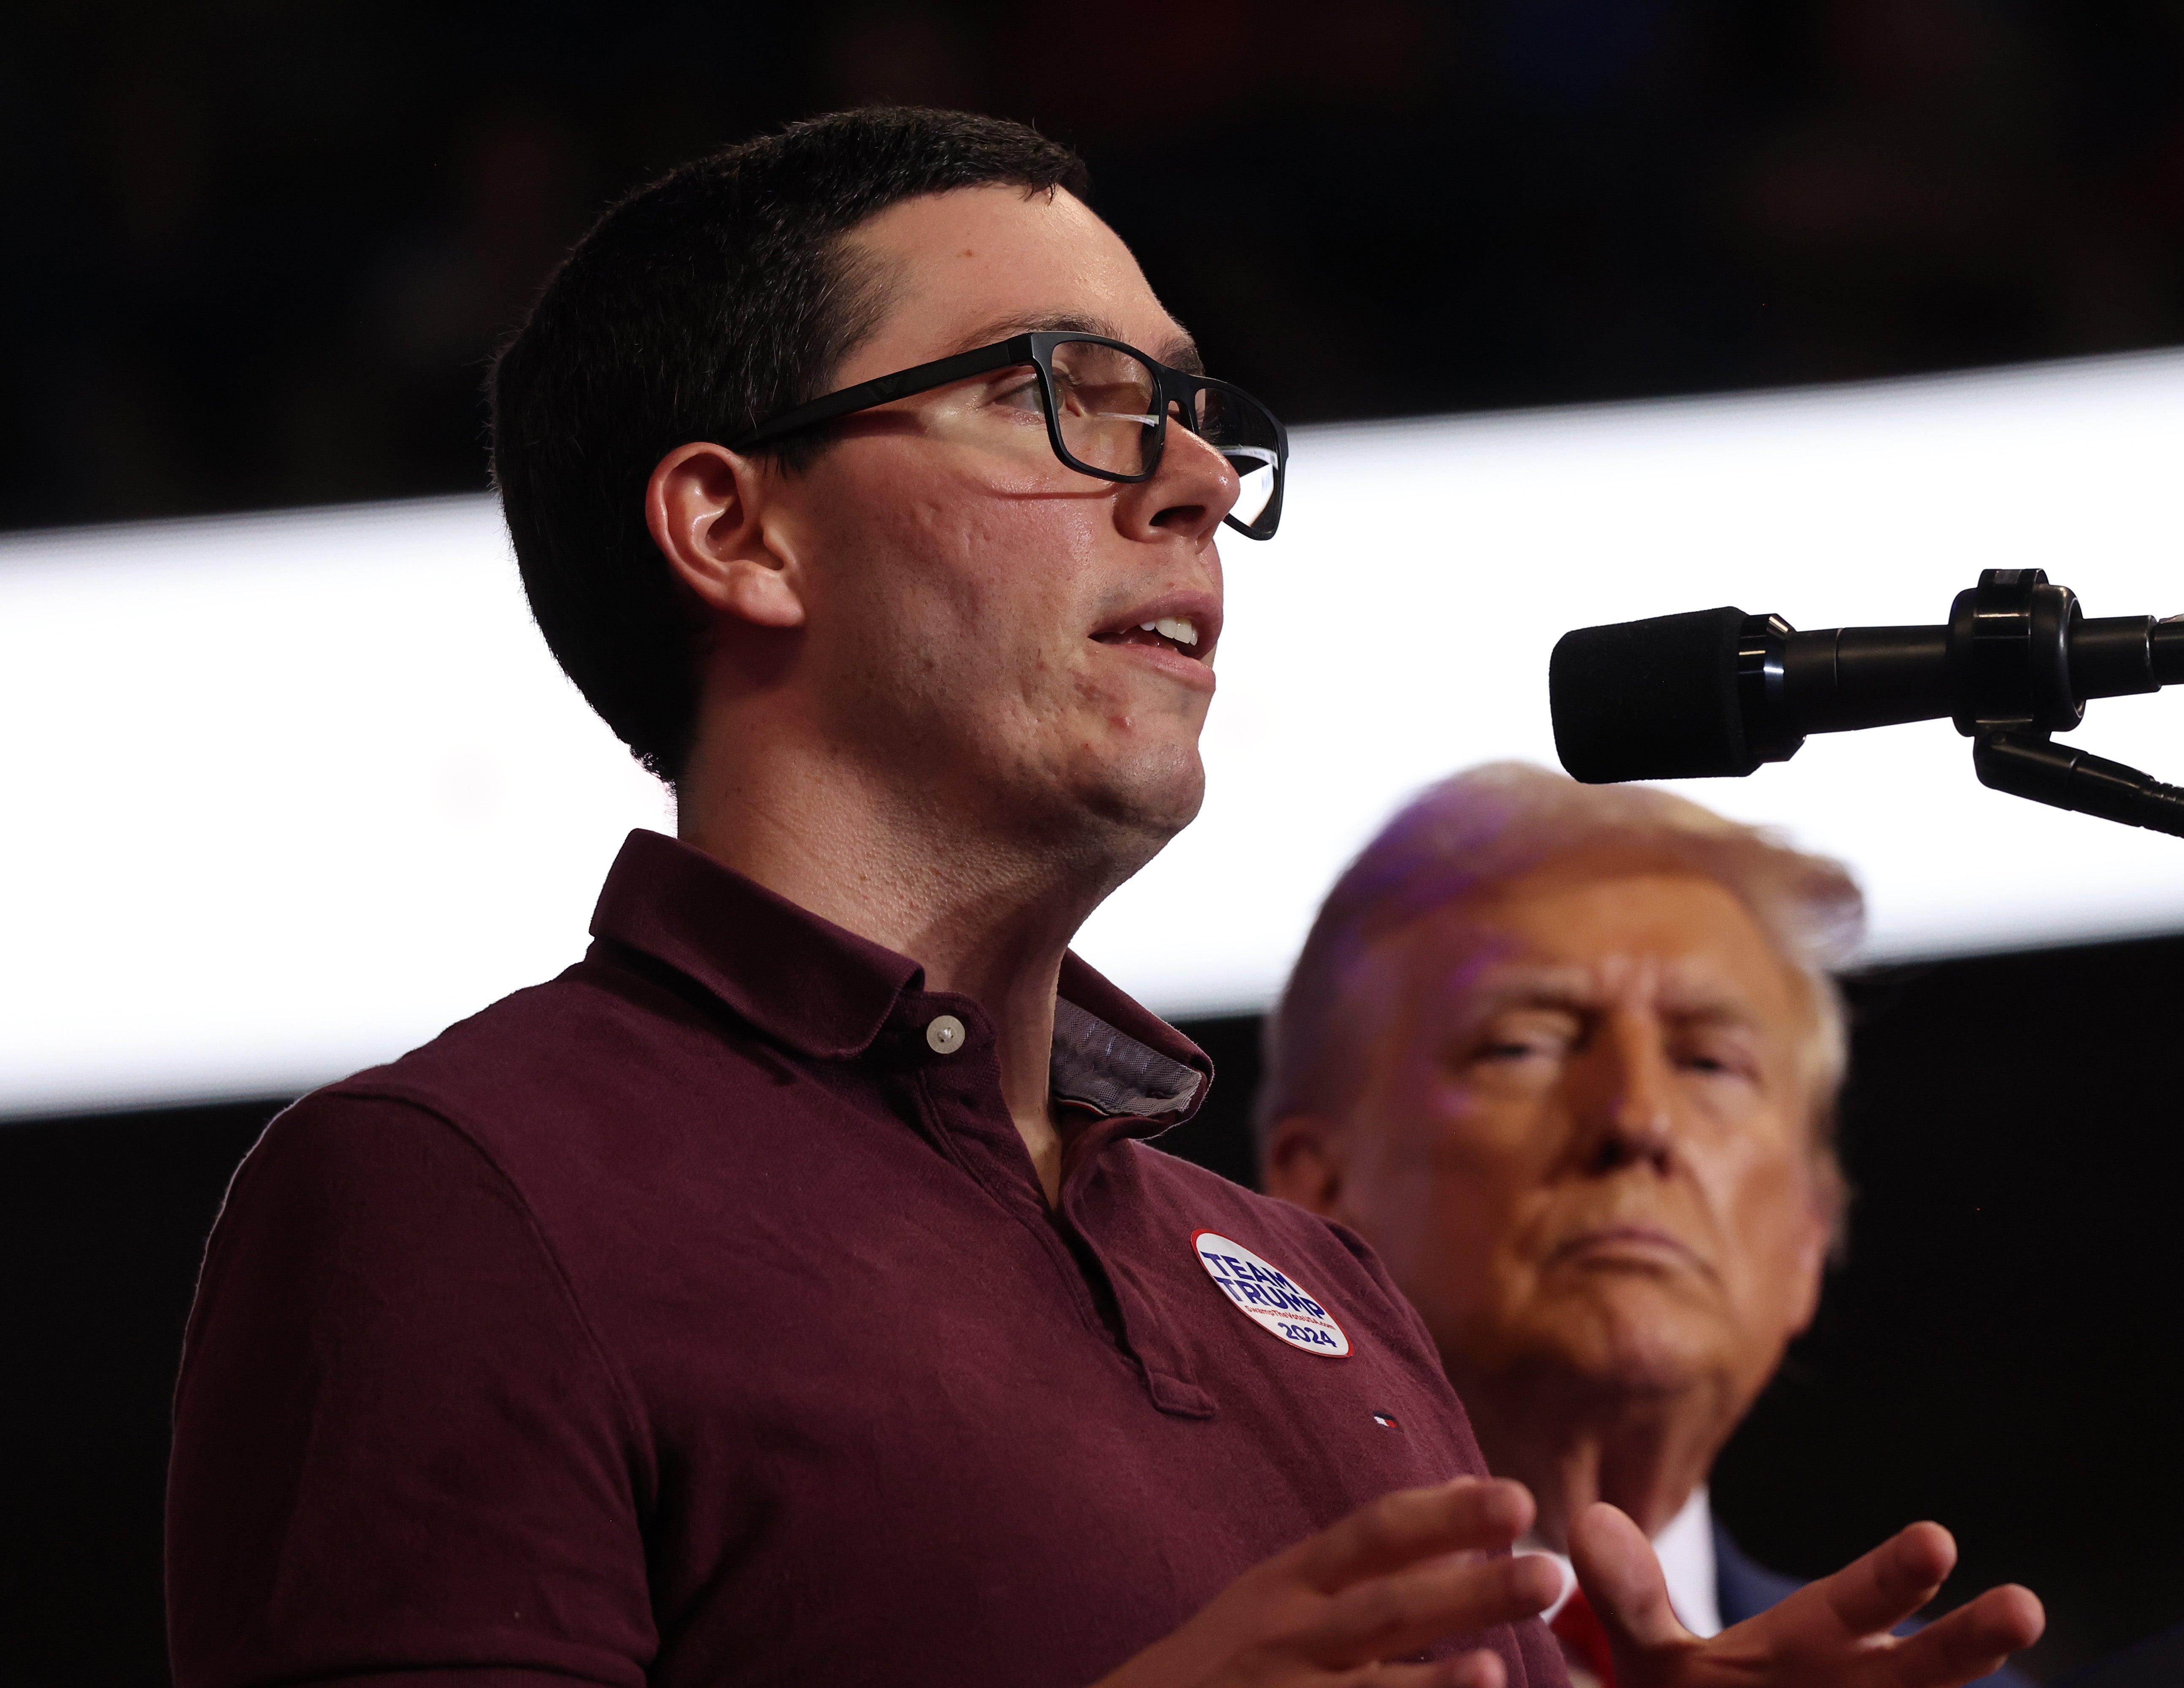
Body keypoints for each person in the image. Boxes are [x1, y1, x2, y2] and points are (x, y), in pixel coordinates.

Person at [165, 108, 2042, 1688]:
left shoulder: (1311, 1283)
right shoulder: (457, 1192)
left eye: (1202, 412)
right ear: (739, 529)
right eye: (1063, 391)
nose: (1203, 479)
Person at [1261, 762, 2031, 1687]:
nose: (1638, 1120)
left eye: (1709, 1062)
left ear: (1806, 1234)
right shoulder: (1170, 1647)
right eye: (1526, 1045)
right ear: (1313, 1198)